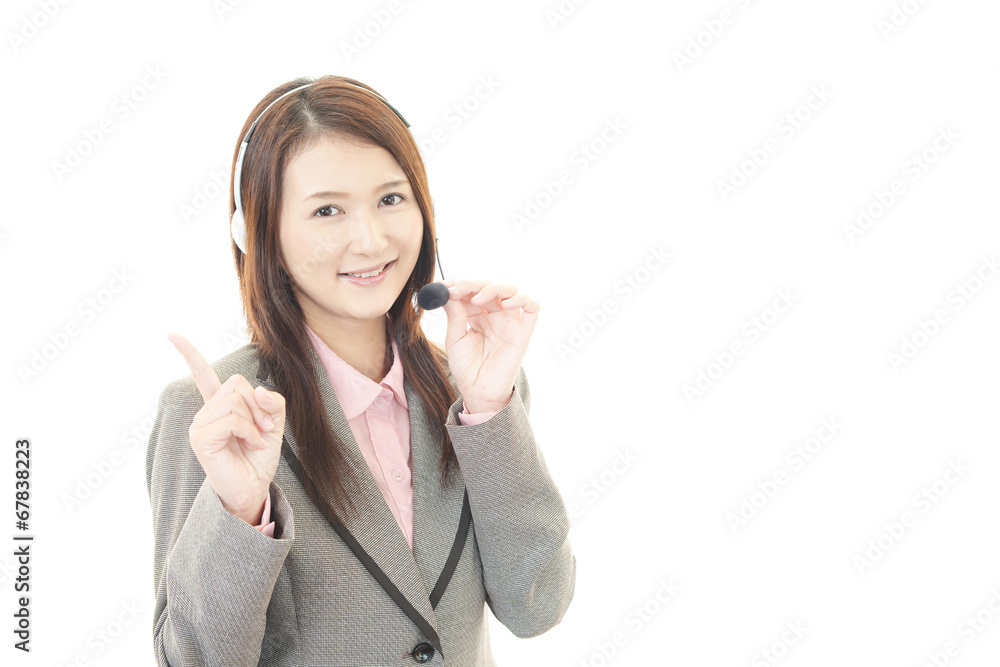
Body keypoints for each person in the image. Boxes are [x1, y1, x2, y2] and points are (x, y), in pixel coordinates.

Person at [145, 75, 576, 666]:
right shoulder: (216, 416)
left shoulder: (474, 391)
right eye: (327, 210)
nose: (371, 240)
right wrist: (240, 514)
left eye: (391, 199)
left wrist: (488, 413)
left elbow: (537, 607)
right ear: (259, 233)